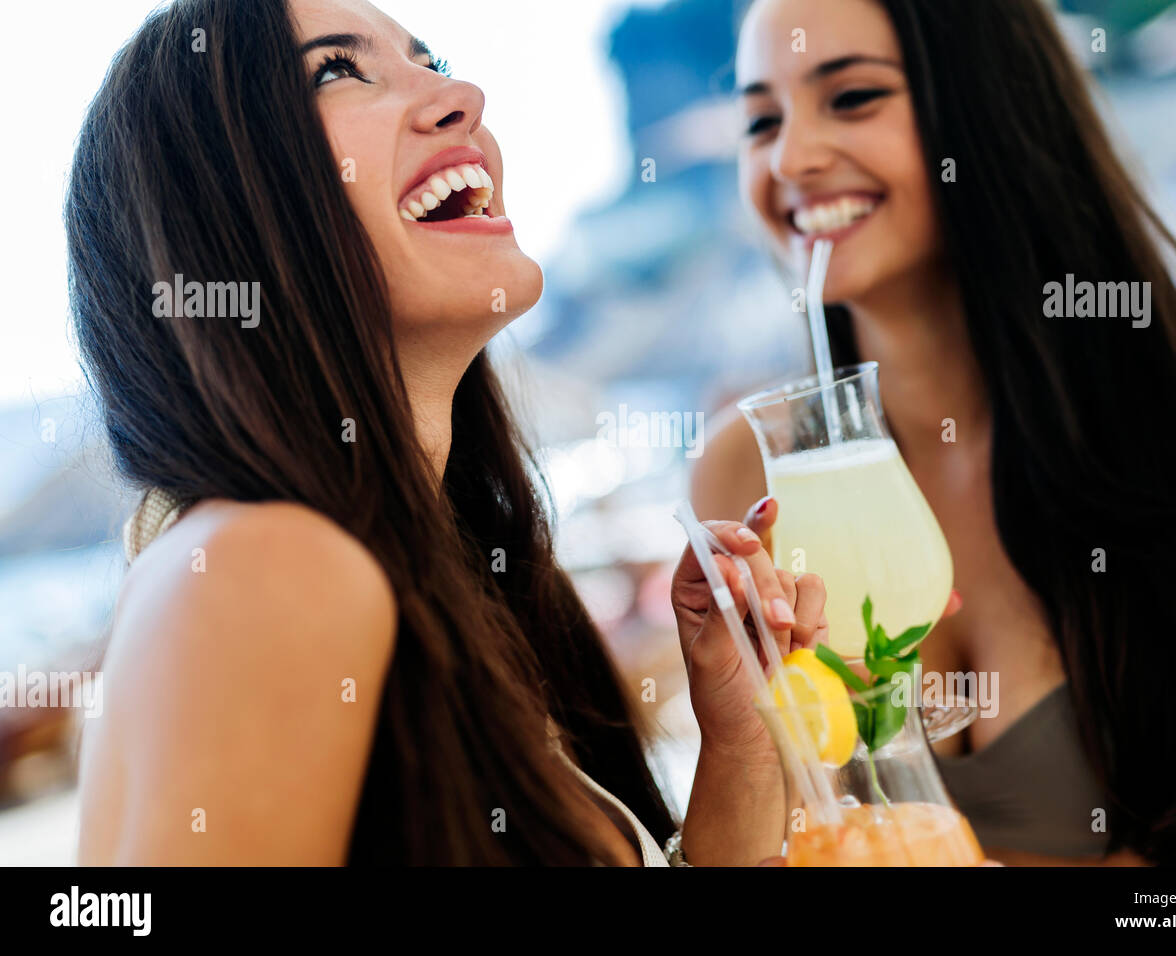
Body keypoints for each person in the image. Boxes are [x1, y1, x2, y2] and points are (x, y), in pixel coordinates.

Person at [69, 0, 823, 866]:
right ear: (213, 209)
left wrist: (742, 741)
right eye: (337, 70)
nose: (460, 93)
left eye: (432, 61)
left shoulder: (462, 586)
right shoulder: (261, 567)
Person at [693, 0, 1176, 865]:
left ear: (989, 109)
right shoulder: (743, 475)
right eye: (760, 119)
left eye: (854, 97)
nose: (791, 157)